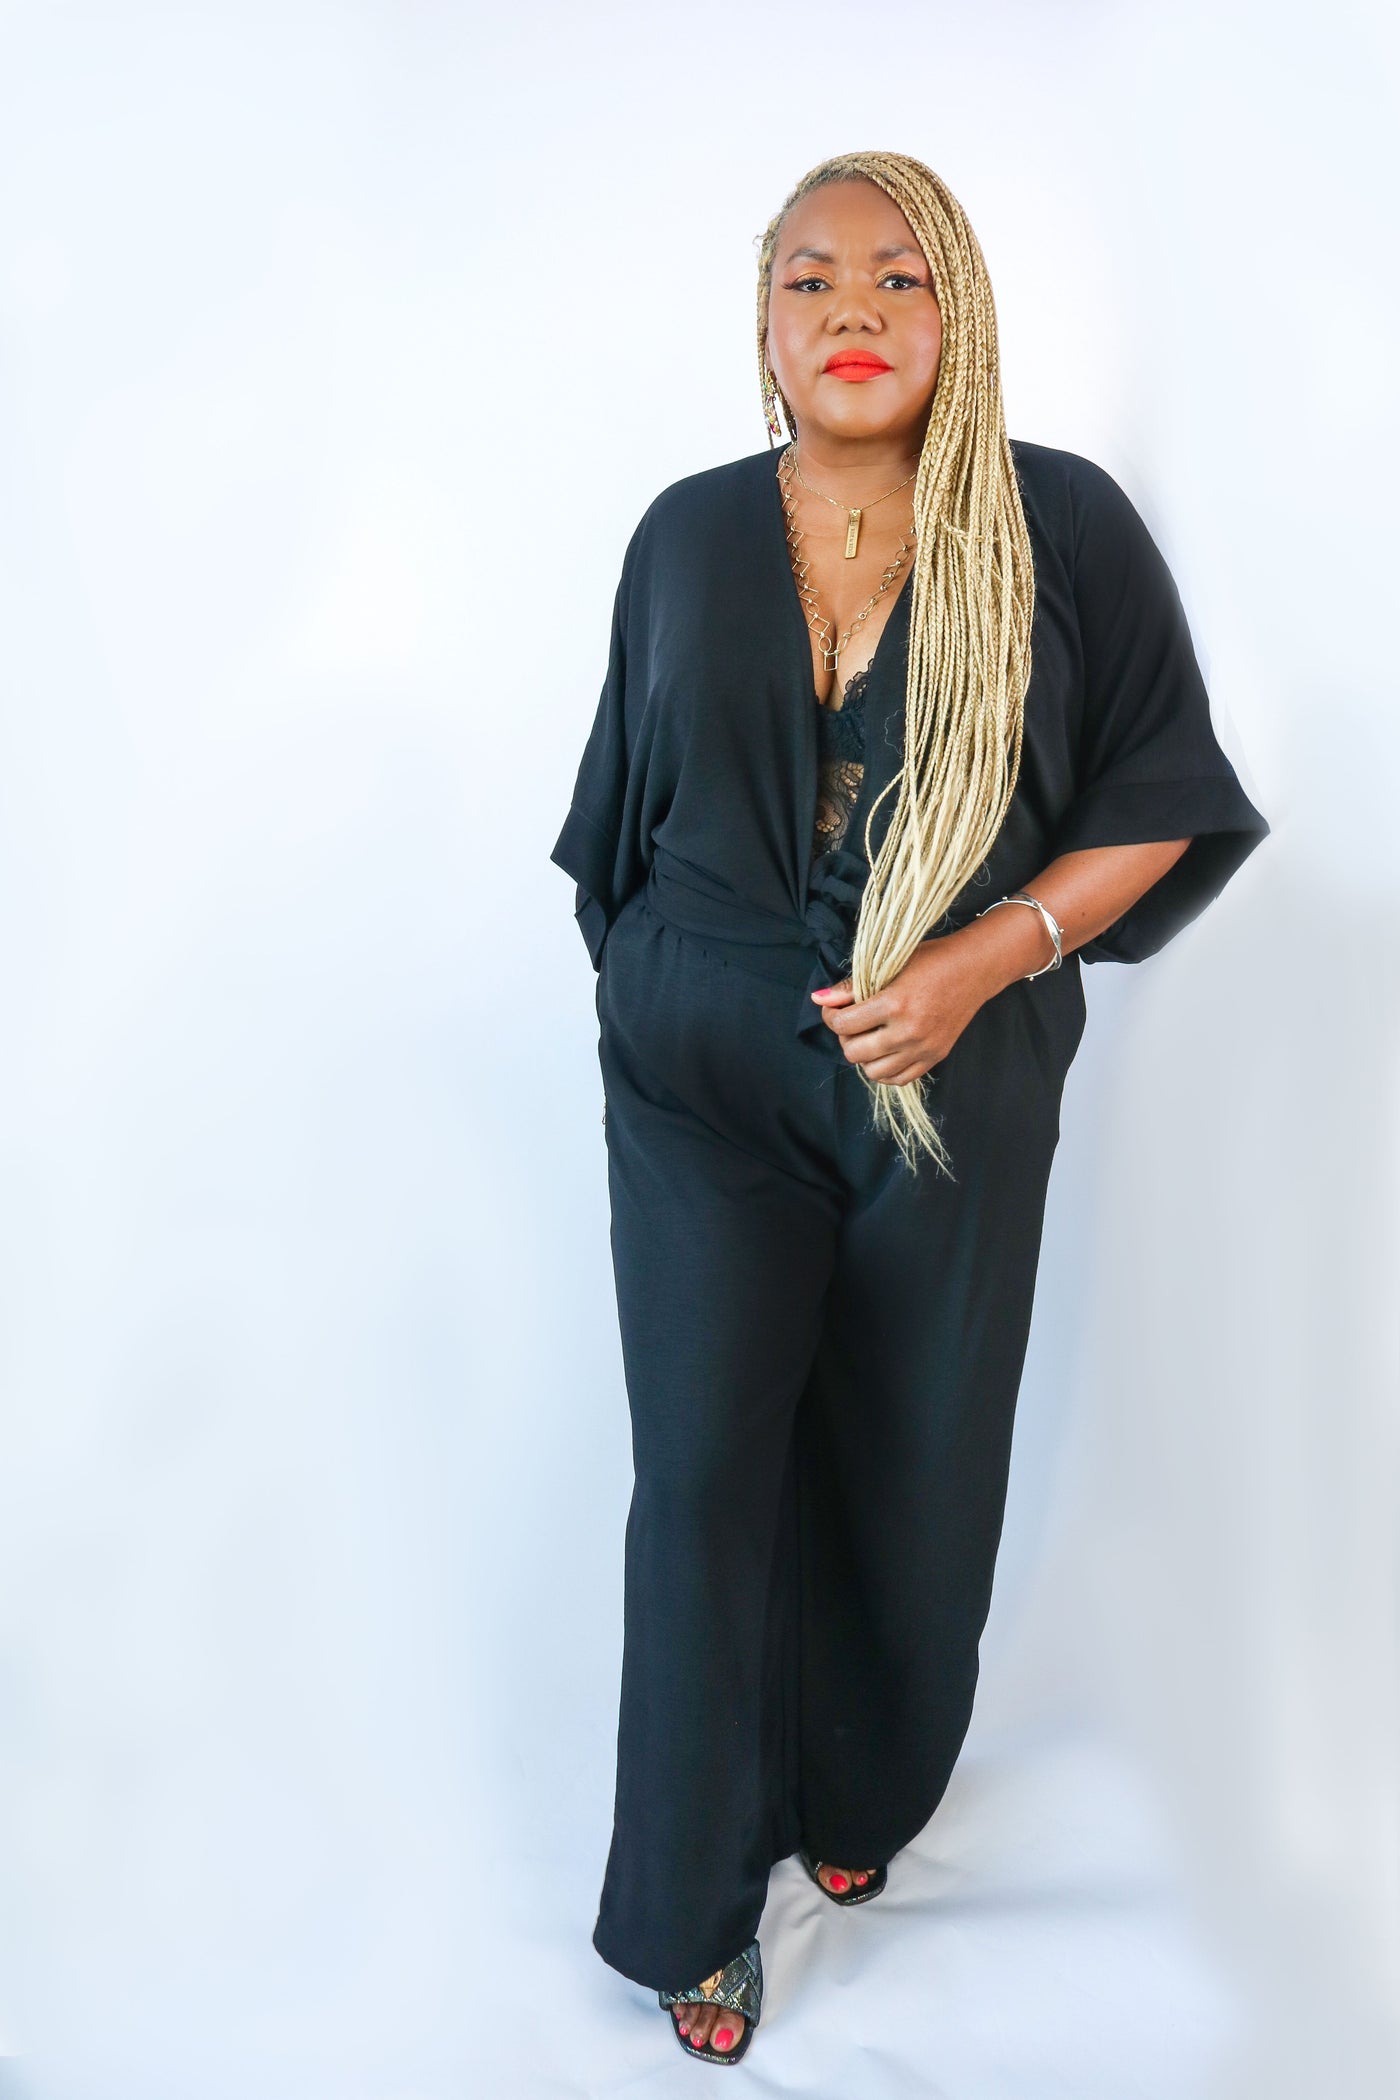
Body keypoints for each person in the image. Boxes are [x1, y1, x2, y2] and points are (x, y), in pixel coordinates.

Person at [549, 149, 1270, 2066]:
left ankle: (857, 1793)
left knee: (915, 1450)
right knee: (703, 1473)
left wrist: (977, 961)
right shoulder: (684, 535)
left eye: (897, 274)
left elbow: (1160, 801)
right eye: (809, 279)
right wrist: (673, 993)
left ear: (961, 309)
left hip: (956, 1062)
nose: (851, 309)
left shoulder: (1063, 524)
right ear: (763, 324)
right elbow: (616, 819)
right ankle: (693, 1902)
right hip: (703, 1071)